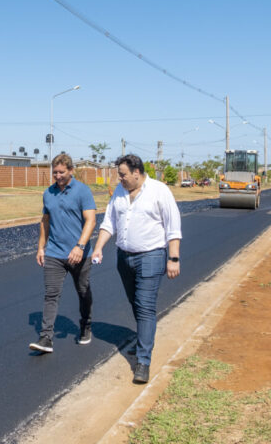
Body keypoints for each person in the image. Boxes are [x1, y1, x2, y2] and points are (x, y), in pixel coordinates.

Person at [91, 154, 182, 384]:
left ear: (136, 172)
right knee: (135, 302)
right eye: (118, 174)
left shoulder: (159, 191)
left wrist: (173, 258)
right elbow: (109, 223)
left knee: (145, 306)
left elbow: (173, 227)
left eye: (122, 174)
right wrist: (99, 247)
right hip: (124, 258)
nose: (119, 178)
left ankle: (143, 361)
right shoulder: (120, 193)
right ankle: (144, 340)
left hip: (151, 256)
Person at [30, 153, 97, 354]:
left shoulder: (82, 191)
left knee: (83, 291)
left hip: (80, 254)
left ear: (71, 171)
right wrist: (41, 247)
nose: (57, 176)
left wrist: (80, 246)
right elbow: (45, 221)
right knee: (51, 294)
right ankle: (46, 337)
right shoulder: (48, 193)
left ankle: (86, 325)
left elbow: (91, 221)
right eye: (55, 172)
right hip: (54, 253)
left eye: (61, 172)